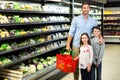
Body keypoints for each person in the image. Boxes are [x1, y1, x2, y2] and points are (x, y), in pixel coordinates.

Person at [66, 2, 98, 80]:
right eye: (84, 7)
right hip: (76, 46)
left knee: (86, 65)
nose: (86, 9)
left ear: (89, 9)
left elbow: (97, 31)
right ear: (82, 9)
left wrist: (100, 38)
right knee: (76, 67)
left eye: (87, 7)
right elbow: (71, 32)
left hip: (87, 46)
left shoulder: (93, 21)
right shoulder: (76, 19)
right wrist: (68, 44)